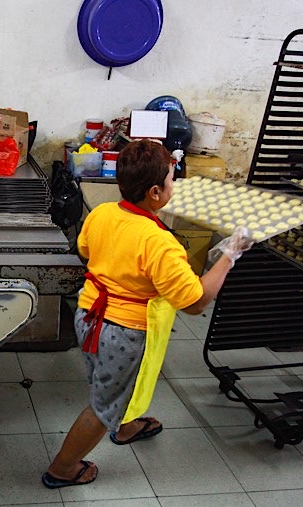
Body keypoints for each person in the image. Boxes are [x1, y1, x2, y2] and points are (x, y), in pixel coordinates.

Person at [42, 139, 253, 488]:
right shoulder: (160, 243)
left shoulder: (103, 213)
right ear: (155, 192)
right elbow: (197, 301)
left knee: (109, 380)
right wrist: (229, 254)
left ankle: (126, 426)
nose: (175, 185)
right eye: (172, 179)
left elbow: (85, 250)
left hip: (89, 313)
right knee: (102, 404)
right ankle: (63, 467)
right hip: (122, 332)